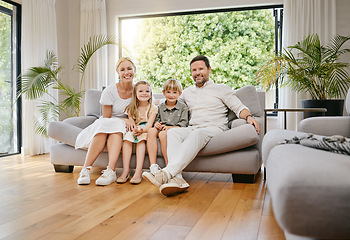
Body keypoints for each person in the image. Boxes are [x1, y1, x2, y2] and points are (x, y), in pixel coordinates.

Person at [142, 55, 260, 196]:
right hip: (192, 128)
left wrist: (248, 117)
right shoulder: (187, 92)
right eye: (194, 70)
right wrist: (145, 106)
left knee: (197, 134)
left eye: (201, 69)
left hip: (215, 128)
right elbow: (169, 101)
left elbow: (239, 108)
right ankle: (177, 179)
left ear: (209, 69)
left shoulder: (221, 89)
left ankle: (166, 173)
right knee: (172, 133)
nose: (197, 73)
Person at [75, 57, 136, 186]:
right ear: (118, 73)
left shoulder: (138, 90)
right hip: (108, 122)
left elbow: (139, 112)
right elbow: (107, 118)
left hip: (122, 127)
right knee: (105, 129)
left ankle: (111, 171)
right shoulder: (110, 90)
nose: (127, 72)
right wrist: (124, 120)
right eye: (122, 69)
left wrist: (127, 121)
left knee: (117, 131)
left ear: (134, 70)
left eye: (129, 68)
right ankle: (85, 169)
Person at [117, 81, 158, 185]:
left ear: (151, 93)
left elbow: (149, 126)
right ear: (135, 94)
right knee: (127, 139)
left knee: (141, 140)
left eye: (147, 91)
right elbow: (130, 122)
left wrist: (141, 130)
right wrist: (134, 129)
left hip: (145, 130)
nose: (144, 93)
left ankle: (138, 171)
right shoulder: (131, 108)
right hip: (134, 128)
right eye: (141, 91)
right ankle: (125, 171)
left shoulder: (153, 108)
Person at [147, 79, 189, 174]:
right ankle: (153, 165)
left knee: (163, 135)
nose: (171, 95)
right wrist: (156, 124)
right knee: (151, 131)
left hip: (174, 130)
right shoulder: (160, 107)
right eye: (168, 92)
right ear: (163, 92)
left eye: (174, 92)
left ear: (179, 94)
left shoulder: (183, 107)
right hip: (162, 129)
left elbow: (184, 124)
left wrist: (170, 128)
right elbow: (157, 120)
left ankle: (168, 166)